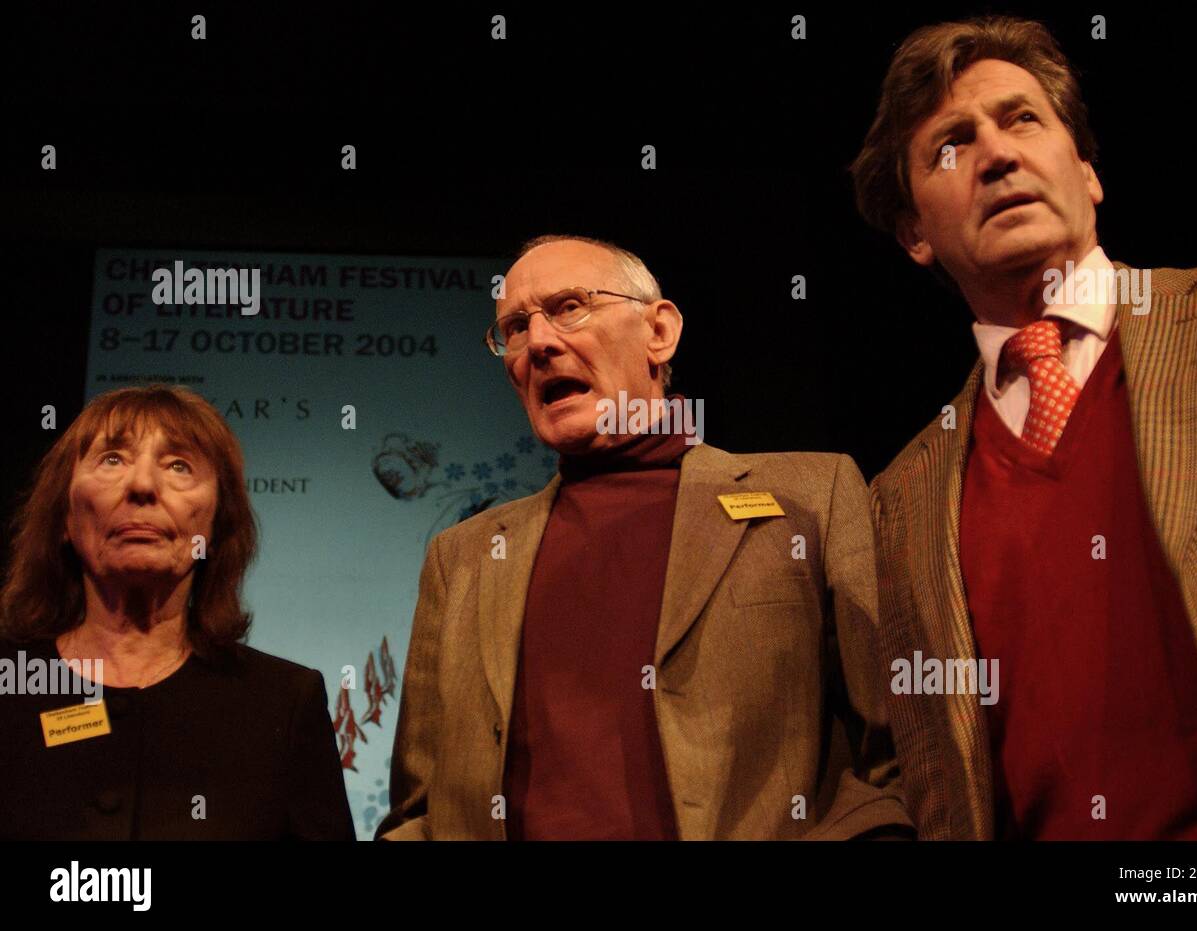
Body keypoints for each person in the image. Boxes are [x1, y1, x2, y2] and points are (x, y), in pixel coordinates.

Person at [847, 14, 1197, 838]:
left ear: (1088, 173)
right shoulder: (899, 498)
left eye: (1022, 118)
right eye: (950, 145)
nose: (996, 155)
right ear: (914, 232)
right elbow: (931, 775)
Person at [377, 234, 913, 839]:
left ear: (659, 331)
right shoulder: (464, 556)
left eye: (569, 307)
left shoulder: (812, 496)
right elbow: (420, 809)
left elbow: (896, 757)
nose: (541, 343)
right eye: (515, 329)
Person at [0, 384, 355, 840]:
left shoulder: (283, 704)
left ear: (216, 524)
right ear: (65, 518)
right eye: (112, 459)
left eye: (179, 466)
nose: (143, 486)